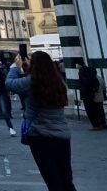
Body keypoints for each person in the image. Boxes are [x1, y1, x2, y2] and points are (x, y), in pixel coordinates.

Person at [6, 51, 77, 191]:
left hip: (40, 136)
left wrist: (16, 66)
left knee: (52, 180)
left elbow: (10, 84)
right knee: (66, 179)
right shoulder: (58, 82)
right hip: (61, 135)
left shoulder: (32, 82)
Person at [78, 62, 107, 130]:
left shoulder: (90, 79)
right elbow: (103, 88)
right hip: (100, 97)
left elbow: (94, 87)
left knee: (93, 111)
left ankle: (97, 125)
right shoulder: (99, 78)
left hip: (95, 97)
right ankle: (102, 123)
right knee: (100, 111)